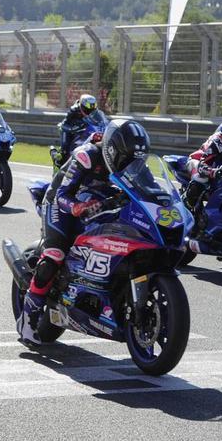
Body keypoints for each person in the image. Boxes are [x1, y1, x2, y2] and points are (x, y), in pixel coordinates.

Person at [17, 119, 150, 345]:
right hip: (62, 202)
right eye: (125, 158)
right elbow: (61, 194)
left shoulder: (133, 161)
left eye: (134, 160)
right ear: (112, 150)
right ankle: (28, 318)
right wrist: (76, 207)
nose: (129, 163)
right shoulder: (87, 155)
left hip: (100, 201)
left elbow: (149, 189)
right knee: (55, 254)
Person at [54, 94, 104, 166]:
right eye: (87, 110)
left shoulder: (96, 112)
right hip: (69, 130)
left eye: (92, 110)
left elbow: (101, 121)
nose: (90, 112)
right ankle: (59, 161)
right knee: (65, 148)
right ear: (82, 106)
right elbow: (64, 124)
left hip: (86, 130)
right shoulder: (74, 110)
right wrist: (73, 129)